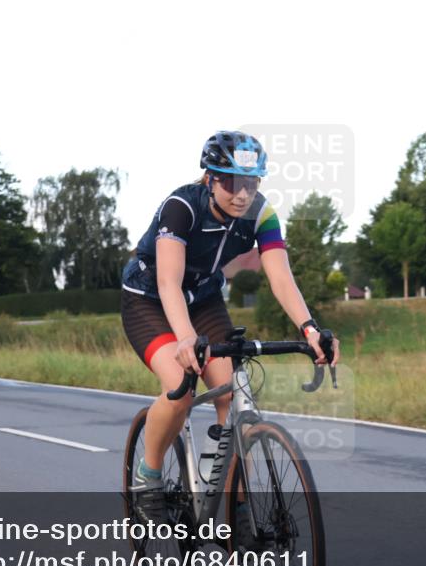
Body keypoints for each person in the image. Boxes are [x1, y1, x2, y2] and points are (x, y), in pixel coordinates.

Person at [120, 130, 340, 524]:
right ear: (210, 178)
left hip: (204, 300)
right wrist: (186, 339)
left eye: (251, 183)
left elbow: (280, 277)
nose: (242, 195)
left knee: (237, 397)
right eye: (231, 183)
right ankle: (147, 475)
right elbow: (169, 282)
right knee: (180, 387)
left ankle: (236, 509)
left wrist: (309, 330)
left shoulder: (262, 214)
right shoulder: (181, 207)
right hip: (149, 299)